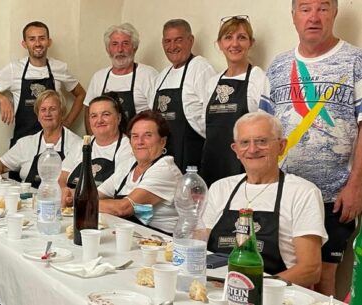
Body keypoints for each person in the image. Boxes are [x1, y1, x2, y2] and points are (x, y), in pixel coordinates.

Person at [258, 0, 362, 295]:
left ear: (335, 13)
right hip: (284, 194)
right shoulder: (278, 66)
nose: (314, 17)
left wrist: (356, 185)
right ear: (293, 17)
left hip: (334, 195)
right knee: (287, 271)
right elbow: (264, 129)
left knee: (323, 277)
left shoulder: (356, 60)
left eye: (323, 8)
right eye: (305, 8)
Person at [203, 112, 327, 287]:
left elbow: (310, 270)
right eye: (245, 142)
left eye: (262, 141)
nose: (253, 149)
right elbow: (199, 245)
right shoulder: (220, 188)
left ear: (281, 146)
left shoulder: (302, 192)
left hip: (273, 294)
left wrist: (249, 287)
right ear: (236, 150)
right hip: (216, 290)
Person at [0, 21, 86, 147]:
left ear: (49, 42)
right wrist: (2, 99)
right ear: (24, 44)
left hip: (54, 144)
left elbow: (81, 94)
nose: (38, 43)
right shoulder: (14, 69)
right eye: (32, 39)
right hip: (22, 143)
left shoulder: (59, 67)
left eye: (42, 38)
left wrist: (68, 122)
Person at [199, 16, 268, 186]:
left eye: (242, 37)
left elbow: (266, 127)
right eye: (228, 37)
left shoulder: (258, 78)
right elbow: (204, 126)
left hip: (245, 167)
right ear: (220, 44)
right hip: (212, 164)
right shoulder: (212, 82)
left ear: (251, 43)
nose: (234, 44)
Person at [96, 111, 181, 235]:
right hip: (134, 234)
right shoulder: (128, 164)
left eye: (147, 135)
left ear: (163, 141)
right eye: (135, 136)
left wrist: (84, 203)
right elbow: (95, 194)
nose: (140, 141)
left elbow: (124, 208)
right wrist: (73, 195)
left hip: (161, 242)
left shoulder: (165, 169)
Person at [151, 19, 216, 173]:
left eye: (178, 40)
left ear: (190, 40)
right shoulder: (162, 76)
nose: (172, 46)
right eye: (167, 41)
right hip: (163, 157)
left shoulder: (200, 68)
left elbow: (212, 118)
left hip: (192, 156)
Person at [0, 89, 82, 187]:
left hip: (59, 200)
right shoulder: (25, 143)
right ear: (38, 116)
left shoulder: (77, 145)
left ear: (62, 113)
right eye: (43, 109)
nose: (47, 114)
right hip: (27, 199)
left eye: (52, 109)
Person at [84, 23, 158, 134]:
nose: (120, 49)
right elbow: (88, 111)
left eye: (125, 44)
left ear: (135, 47)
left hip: (138, 144)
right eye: (114, 44)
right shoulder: (99, 77)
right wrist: (93, 140)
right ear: (108, 49)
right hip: (105, 146)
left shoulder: (148, 75)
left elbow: (158, 114)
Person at [60, 95, 133, 206]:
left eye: (106, 114)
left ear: (118, 118)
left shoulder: (128, 147)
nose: (99, 120)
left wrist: (75, 196)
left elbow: (113, 186)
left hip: (101, 210)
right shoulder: (82, 144)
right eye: (94, 116)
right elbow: (62, 177)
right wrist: (64, 193)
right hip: (70, 205)